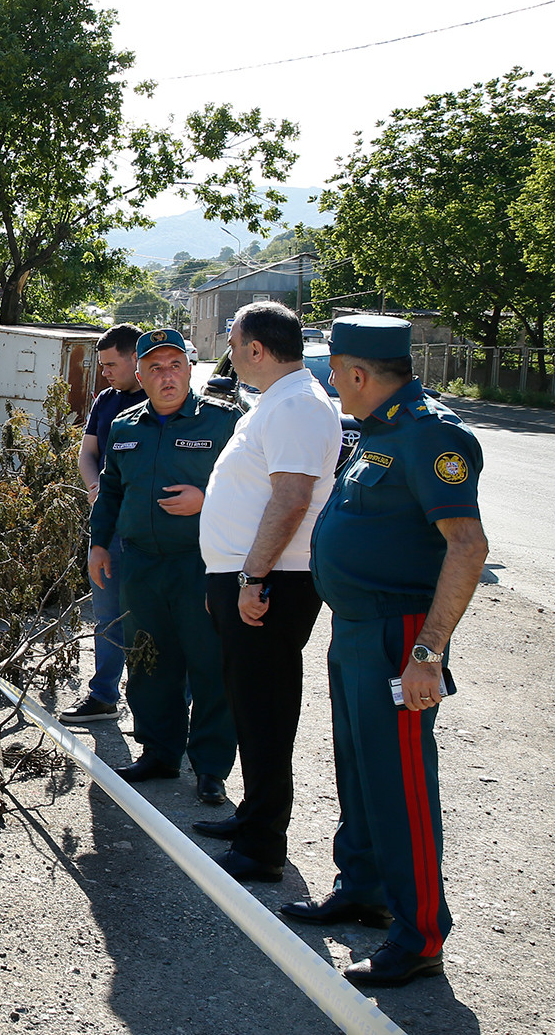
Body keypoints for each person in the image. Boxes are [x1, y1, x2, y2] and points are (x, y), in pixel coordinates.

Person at [290, 314, 488, 988]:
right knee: (360, 770)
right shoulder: (378, 430)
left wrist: (428, 653)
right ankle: (364, 888)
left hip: (399, 636)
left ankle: (421, 935)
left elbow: (468, 546)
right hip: (355, 630)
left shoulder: (430, 435)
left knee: (400, 785)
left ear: (356, 372)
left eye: (333, 370)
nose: (331, 382)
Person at [193, 302, 341, 882]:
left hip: (273, 580)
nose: (229, 355)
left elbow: (292, 498)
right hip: (249, 576)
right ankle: (253, 816)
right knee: (250, 704)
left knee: (266, 711)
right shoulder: (279, 401)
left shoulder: (298, 406)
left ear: (257, 349)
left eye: (233, 344)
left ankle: (261, 848)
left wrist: (252, 578)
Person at [87, 328, 241, 804]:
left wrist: (207, 499)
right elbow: (111, 490)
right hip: (142, 565)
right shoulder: (125, 427)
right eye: (155, 368)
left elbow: (256, 489)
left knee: (209, 665)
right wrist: (98, 544)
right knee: (149, 661)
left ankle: (210, 767)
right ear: (140, 376)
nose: (166, 376)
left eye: (175, 365)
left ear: (190, 370)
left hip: (202, 565)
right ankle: (159, 752)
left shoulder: (224, 421)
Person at [60, 323, 144, 724]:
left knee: (151, 616)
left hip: (149, 528)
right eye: (102, 365)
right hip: (108, 523)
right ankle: (103, 696)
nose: (105, 372)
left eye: (111, 364)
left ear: (135, 358)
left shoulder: (160, 399)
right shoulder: (106, 400)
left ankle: (160, 704)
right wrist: (96, 488)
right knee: (107, 612)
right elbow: (87, 453)